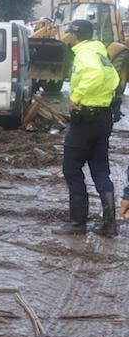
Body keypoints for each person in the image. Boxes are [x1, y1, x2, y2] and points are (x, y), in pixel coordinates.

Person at [53, 19, 120, 237]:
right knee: (100, 169)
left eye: (67, 32)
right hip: (103, 117)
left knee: (71, 169)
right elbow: (114, 77)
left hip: (86, 118)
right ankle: (109, 224)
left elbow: (95, 75)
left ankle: (77, 223)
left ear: (75, 34)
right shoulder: (99, 50)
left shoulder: (84, 53)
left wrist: (76, 96)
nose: (66, 35)